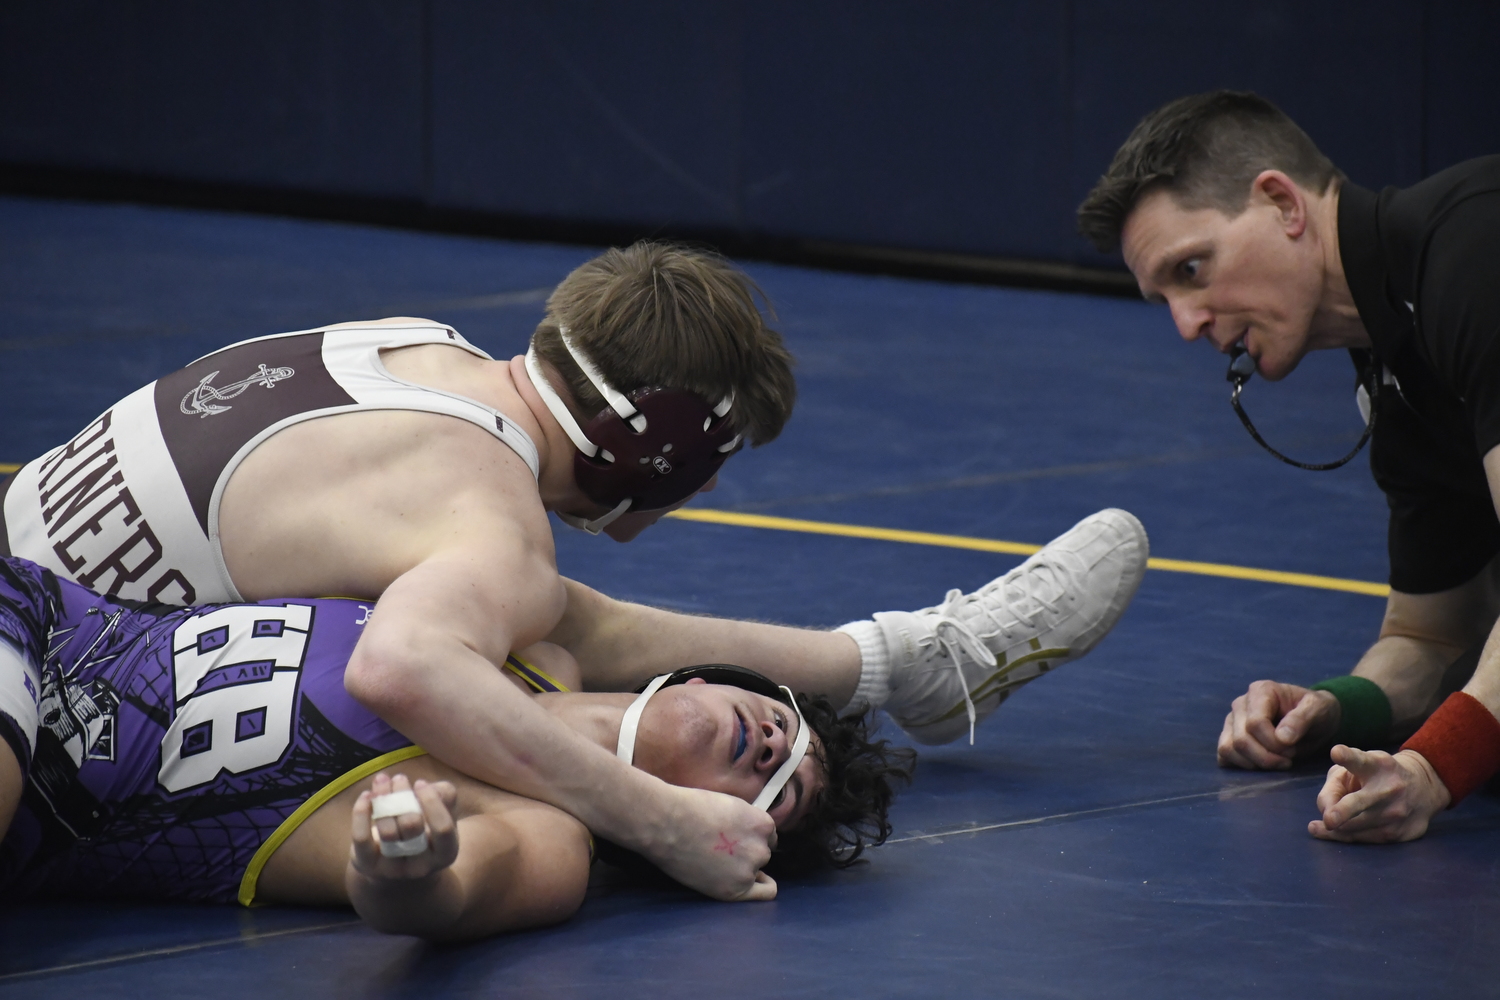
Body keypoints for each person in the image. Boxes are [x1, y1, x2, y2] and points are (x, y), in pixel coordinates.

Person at [0, 240, 1149, 895]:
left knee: (534, 617)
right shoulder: (495, 525)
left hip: (48, 609)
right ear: (661, 449)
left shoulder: (419, 347)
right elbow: (404, 664)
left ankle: (903, 661)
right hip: (56, 672)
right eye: (710, 466)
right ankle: (911, 661)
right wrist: (652, 817)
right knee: (514, 617)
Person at [0, 555, 912, 941]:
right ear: (704, 677)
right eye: (781, 720)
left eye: (778, 789)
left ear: (720, 841)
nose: (774, 748)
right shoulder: (528, 632)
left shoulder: (547, 842)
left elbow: (433, 899)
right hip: (36, 612)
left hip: (42, 796)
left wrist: (404, 865)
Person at [1077, 90, 1500, 843]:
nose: (1186, 323)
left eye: (1193, 268)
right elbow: (1434, 635)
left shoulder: (1475, 254)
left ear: (1282, 203)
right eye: (1164, 297)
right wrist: (1334, 711)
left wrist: (1433, 769)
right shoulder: (1400, 358)